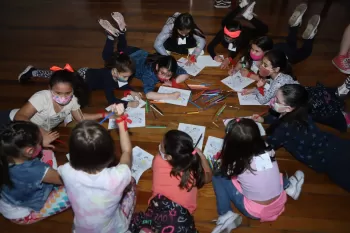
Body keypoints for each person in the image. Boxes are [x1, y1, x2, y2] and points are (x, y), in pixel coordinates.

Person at [18, 13, 142, 108]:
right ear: (115, 72)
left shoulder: (116, 73)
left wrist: (132, 91)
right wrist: (128, 104)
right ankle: (32, 72)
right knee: (58, 77)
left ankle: (111, 37)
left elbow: (121, 83)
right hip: (82, 77)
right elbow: (111, 100)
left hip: (88, 74)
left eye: (128, 77)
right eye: (125, 77)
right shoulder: (108, 80)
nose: (127, 79)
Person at [211, 118, 304, 233]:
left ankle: (225, 214)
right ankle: (289, 186)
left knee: (218, 177)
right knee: (269, 172)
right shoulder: (266, 148)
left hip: (255, 210)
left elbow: (227, 173)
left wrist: (222, 161)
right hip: (280, 199)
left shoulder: (237, 164)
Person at [252, 84, 350, 192]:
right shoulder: (300, 111)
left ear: (289, 108)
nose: (274, 102)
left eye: (278, 101)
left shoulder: (284, 128)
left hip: (324, 159)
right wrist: (263, 120)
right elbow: (279, 116)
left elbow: (269, 145)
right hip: (331, 142)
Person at [58, 104, 135, 233]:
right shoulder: (118, 176)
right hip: (113, 228)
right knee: (131, 184)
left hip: (82, 229)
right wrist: (120, 121)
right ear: (111, 154)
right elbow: (127, 152)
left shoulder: (65, 171)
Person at [130, 130, 212, 233]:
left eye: (162, 144)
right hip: (179, 215)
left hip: (159, 208)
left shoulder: (157, 160)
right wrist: (202, 156)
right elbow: (209, 176)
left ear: (169, 157)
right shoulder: (193, 173)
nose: (159, 145)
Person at [98, 13, 190, 101]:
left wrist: (174, 82)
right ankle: (110, 37)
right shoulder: (150, 74)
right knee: (106, 57)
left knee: (122, 48)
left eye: (169, 75)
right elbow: (148, 94)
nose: (165, 77)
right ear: (157, 66)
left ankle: (122, 31)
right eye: (162, 73)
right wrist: (169, 96)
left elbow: (185, 74)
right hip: (127, 62)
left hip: (136, 51)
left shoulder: (166, 63)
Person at [12, 69, 109, 148]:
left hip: (37, 133)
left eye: (67, 93)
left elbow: (80, 118)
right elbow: (19, 117)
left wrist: (104, 114)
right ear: (49, 88)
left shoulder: (73, 100)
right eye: (58, 93)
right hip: (16, 126)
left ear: (73, 90)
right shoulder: (42, 97)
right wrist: (41, 133)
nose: (63, 98)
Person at [0, 121, 70, 224]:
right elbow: (67, 179)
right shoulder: (35, 170)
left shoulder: (7, 155)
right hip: (22, 214)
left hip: (7, 202)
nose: (42, 142)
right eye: (40, 141)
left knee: (47, 152)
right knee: (73, 188)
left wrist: (40, 145)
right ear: (29, 151)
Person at [207, 1, 269, 69]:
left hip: (246, 33)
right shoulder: (221, 34)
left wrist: (228, 59)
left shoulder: (242, 37)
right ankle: (240, 6)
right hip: (236, 31)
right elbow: (210, 46)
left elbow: (236, 51)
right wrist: (214, 56)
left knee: (264, 30)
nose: (228, 39)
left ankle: (249, 17)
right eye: (226, 36)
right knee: (224, 22)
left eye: (231, 38)